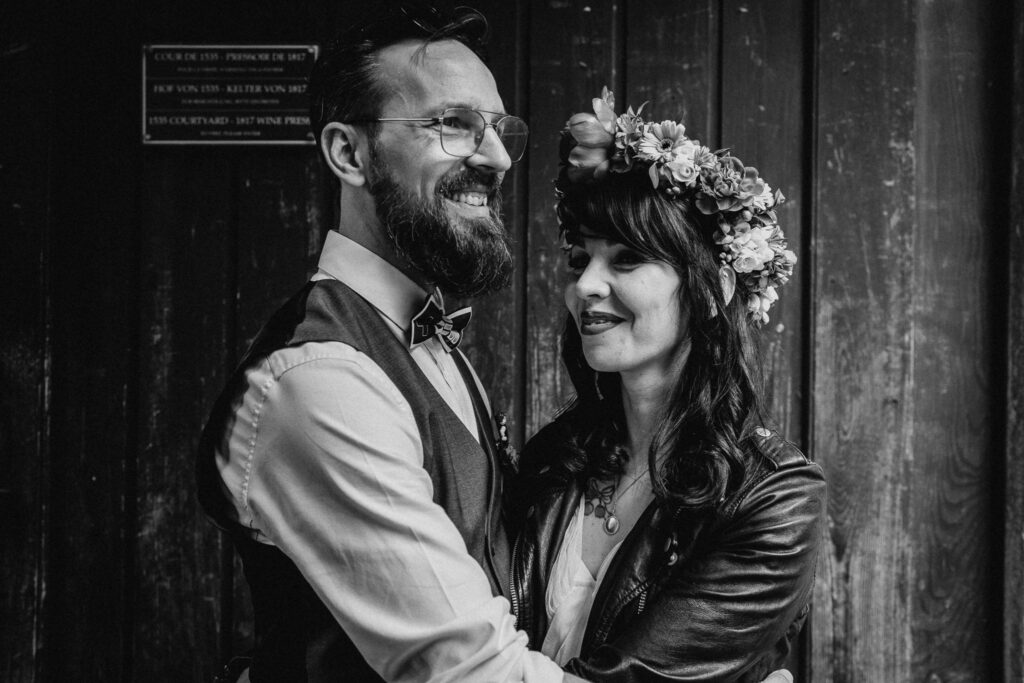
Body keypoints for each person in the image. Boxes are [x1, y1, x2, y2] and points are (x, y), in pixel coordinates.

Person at [195, 5, 569, 681]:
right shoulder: (321, 379)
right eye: (453, 124)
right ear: (349, 153)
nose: (496, 157)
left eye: (498, 130)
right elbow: (475, 672)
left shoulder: (427, 337)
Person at [509, 89, 826, 682]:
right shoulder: (553, 459)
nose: (587, 286)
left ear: (711, 290)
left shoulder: (772, 498)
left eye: (626, 259)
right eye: (580, 260)